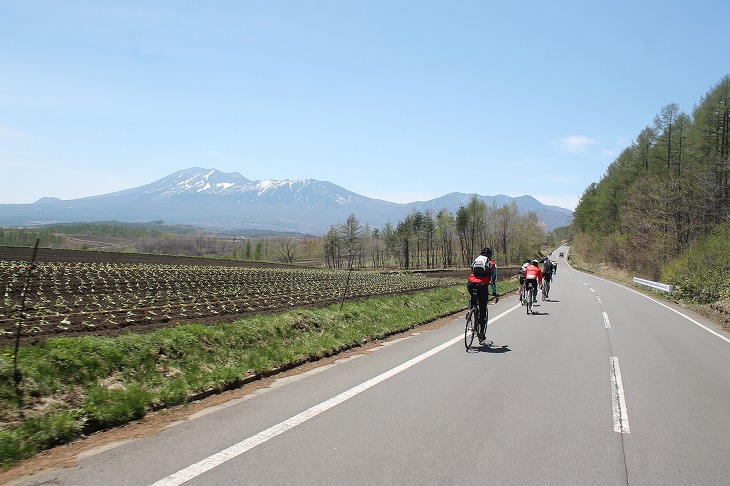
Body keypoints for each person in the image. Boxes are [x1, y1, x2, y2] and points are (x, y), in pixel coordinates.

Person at [467, 247, 495, 344]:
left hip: (470, 283)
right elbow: (494, 280)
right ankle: (482, 333)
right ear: (490, 256)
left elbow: (471, 270)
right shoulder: (492, 264)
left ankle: (470, 310)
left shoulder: (476, 260)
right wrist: (494, 292)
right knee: (483, 307)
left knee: (473, 297)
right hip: (482, 285)